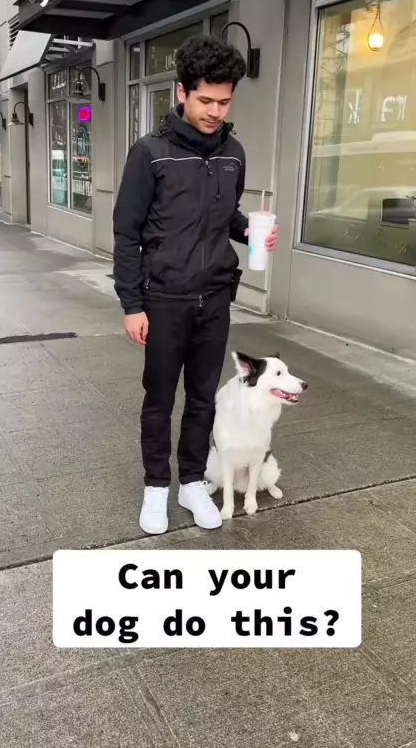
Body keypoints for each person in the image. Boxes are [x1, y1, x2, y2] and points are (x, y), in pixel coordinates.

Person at [113, 34, 278, 535]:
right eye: (205, 100)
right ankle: (156, 487)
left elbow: (227, 216)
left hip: (215, 298)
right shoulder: (150, 154)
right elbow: (126, 233)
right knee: (160, 399)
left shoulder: (233, 154)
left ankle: (190, 482)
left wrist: (250, 230)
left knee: (203, 397)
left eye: (224, 101)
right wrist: (132, 304)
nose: (215, 111)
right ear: (181, 92)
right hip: (163, 299)